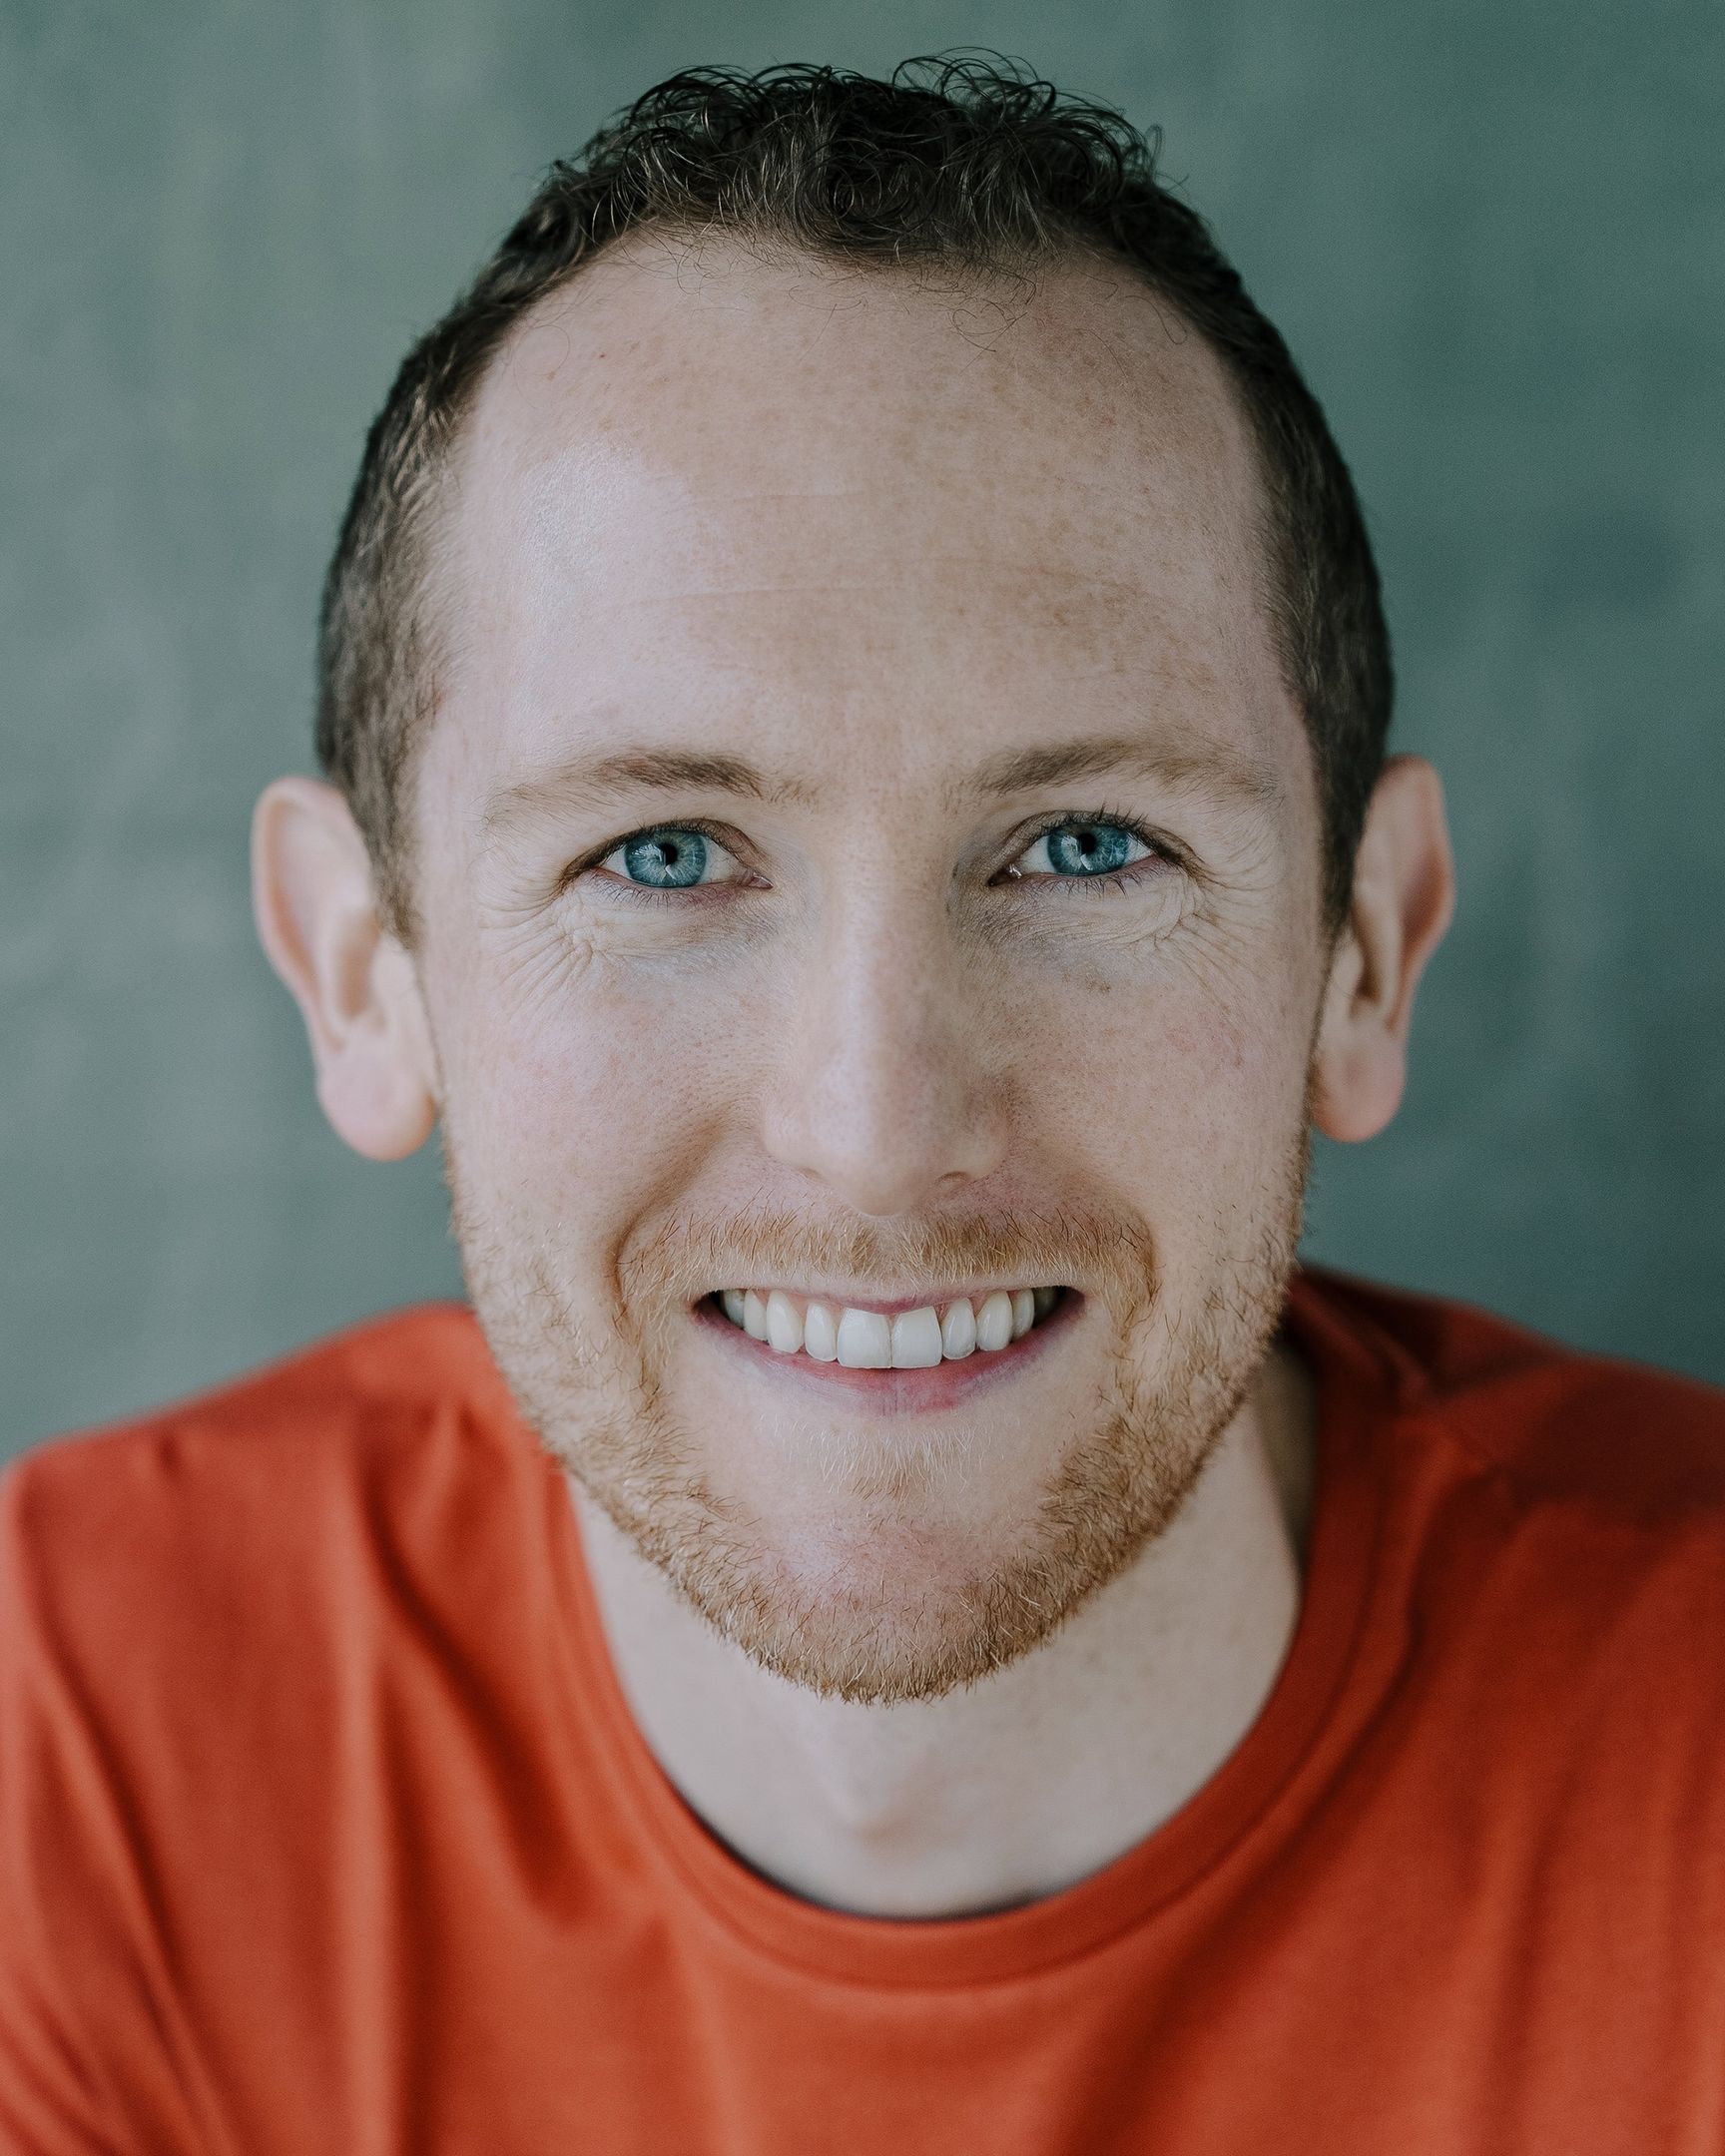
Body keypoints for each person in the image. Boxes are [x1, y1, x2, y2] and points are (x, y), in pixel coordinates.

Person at [3, 58, 1720, 2156]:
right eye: (661, 856)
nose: (879, 1125)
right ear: (366, 974)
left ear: (1364, 957)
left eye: (1085, 846)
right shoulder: (66, 1742)